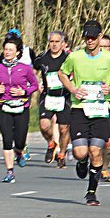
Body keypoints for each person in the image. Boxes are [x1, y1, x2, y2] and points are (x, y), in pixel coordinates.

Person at [61, 23, 110, 206]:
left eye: (93, 38)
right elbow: (62, 73)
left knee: (96, 151)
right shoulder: (75, 57)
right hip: (80, 109)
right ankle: (82, 162)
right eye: (87, 38)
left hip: (100, 110)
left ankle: (91, 192)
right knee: (81, 153)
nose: (89, 41)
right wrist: (73, 88)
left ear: (100, 37)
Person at [0, 38, 37, 184]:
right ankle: (10, 172)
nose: (7, 52)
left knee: (19, 140)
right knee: (7, 140)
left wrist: (24, 92)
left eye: (10, 50)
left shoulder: (25, 68)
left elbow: (34, 85)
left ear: (18, 52)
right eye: (6, 49)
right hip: (4, 107)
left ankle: (20, 151)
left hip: (21, 107)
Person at [34, 31, 71, 167]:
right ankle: (51, 142)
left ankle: (62, 153)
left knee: (63, 129)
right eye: (52, 42)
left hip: (64, 96)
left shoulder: (68, 58)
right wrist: (37, 83)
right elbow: (33, 71)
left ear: (62, 43)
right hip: (47, 95)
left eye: (57, 42)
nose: (54, 45)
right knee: (44, 125)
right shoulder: (42, 58)